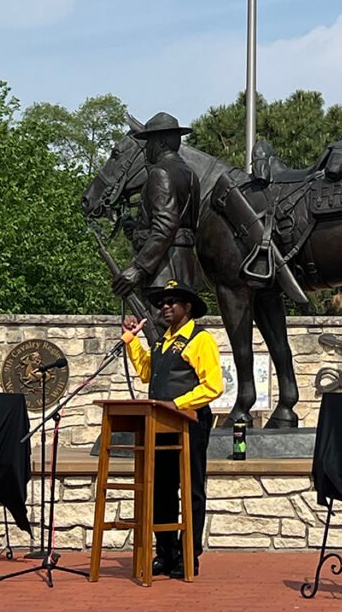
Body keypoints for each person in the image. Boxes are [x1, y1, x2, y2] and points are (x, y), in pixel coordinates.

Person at [122, 279, 224, 578]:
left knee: (191, 488)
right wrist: (132, 341)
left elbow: (213, 385)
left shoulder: (200, 340)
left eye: (172, 303)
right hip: (160, 424)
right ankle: (165, 552)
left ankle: (189, 554)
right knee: (162, 489)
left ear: (187, 307)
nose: (165, 307)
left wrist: (178, 403)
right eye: (162, 303)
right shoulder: (161, 341)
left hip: (189, 423)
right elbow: (145, 373)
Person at [113, 112, 203, 318]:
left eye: (149, 142)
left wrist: (138, 268)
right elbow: (182, 223)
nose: (146, 149)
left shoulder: (159, 173)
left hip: (162, 273)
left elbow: (166, 226)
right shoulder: (190, 175)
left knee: (163, 341)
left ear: (160, 142)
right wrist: (137, 231)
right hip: (185, 269)